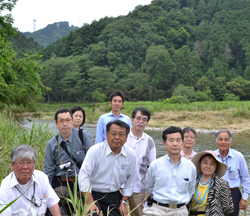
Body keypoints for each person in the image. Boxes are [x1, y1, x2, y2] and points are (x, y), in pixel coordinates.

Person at [78, 120, 137, 216]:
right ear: (107, 135)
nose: (117, 137)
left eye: (121, 134)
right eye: (113, 134)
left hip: (114, 194)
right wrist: (89, 202)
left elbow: (131, 180)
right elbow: (84, 176)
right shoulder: (95, 151)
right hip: (92, 193)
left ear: (126, 138)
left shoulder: (130, 155)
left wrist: (124, 202)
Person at [44, 108, 93, 214]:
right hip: (61, 182)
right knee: (49, 210)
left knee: (89, 211)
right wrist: (47, 194)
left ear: (72, 121)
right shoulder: (51, 144)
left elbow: (92, 160)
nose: (65, 124)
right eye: (61, 121)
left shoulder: (82, 136)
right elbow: (48, 171)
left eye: (68, 120)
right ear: (56, 124)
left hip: (81, 182)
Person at [142, 126, 196, 216]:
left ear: (182, 143)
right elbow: (149, 188)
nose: (175, 144)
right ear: (164, 144)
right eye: (171, 140)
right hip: (157, 209)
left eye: (178, 140)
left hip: (180, 211)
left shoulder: (190, 167)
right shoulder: (155, 165)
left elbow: (190, 191)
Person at [0, 145, 61, 216]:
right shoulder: (5, 186)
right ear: (12, 165)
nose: (25, 167)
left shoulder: (41, 177)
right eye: (21, 162)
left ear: (34, 165)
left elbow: (52, 203)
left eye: (29, 162)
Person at [125, 107, 156, 216]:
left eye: (144, 119)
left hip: (139, 187)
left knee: (139, 214)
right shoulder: (123, 136)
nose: (140, 122)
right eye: (138, 118)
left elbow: (152, 167)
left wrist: (151, 190)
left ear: (147, 123)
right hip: (119, 186)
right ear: (132, 120)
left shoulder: (149, 141)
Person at [214, 130, 250, 216]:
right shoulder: (212, 156)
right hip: (214, 194)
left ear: (230, 142)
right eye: (220, 139)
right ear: (216, 142)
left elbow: (245, 179)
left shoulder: (238, 156)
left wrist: (244, 198)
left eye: (226, 140)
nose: (223, 142)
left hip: (233, 194)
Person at [190, 150, 234, 215]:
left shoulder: (222, 184)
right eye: (205, 163)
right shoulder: (192, 180)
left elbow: (228, 208)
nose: (208, 166)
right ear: (200, 164)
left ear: (216, 167)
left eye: (212, 164)